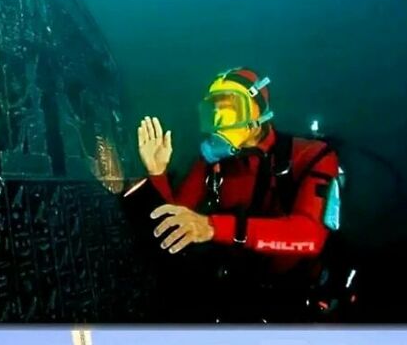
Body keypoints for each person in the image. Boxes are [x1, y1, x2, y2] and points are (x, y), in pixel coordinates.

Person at [126, 67, 341, 321]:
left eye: (230, 105)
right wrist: (157, 172)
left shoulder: (312, 155)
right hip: (235, 284)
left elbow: (310, 237)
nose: (219, 116)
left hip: (292, 292)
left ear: (259, 111)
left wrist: (212, 227)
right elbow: (174, 226)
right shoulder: (210, 163)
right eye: (213, 108)